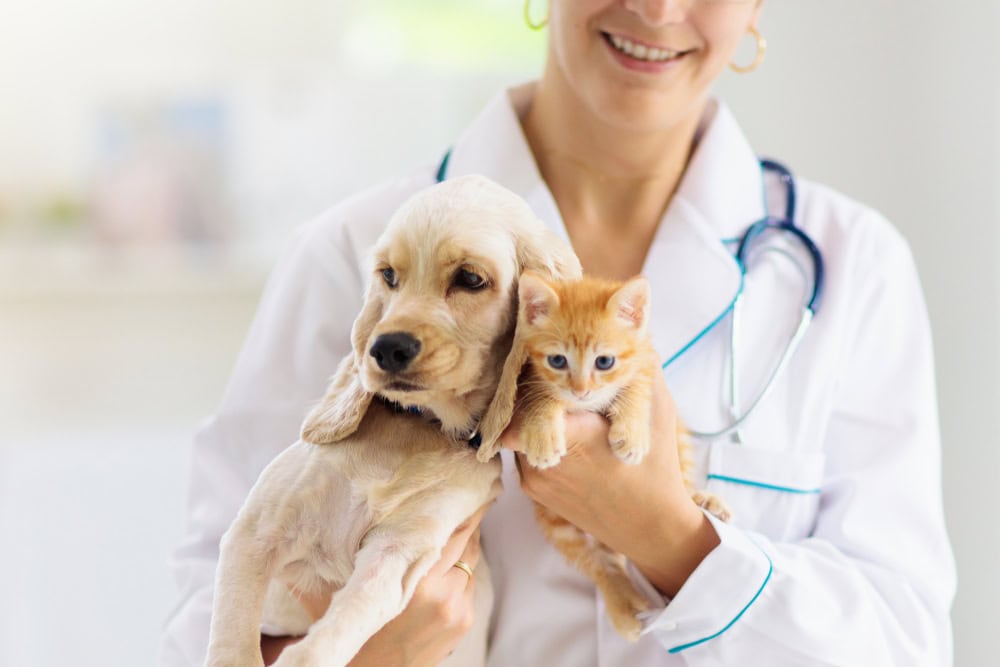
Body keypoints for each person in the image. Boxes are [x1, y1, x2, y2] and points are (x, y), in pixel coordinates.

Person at [161, 0, 957, 665]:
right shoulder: (354, 256)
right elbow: (208, 603)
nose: (656, 9)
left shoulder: (853, 269)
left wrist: (672, 539)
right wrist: (370, 655)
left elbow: (906, 638)